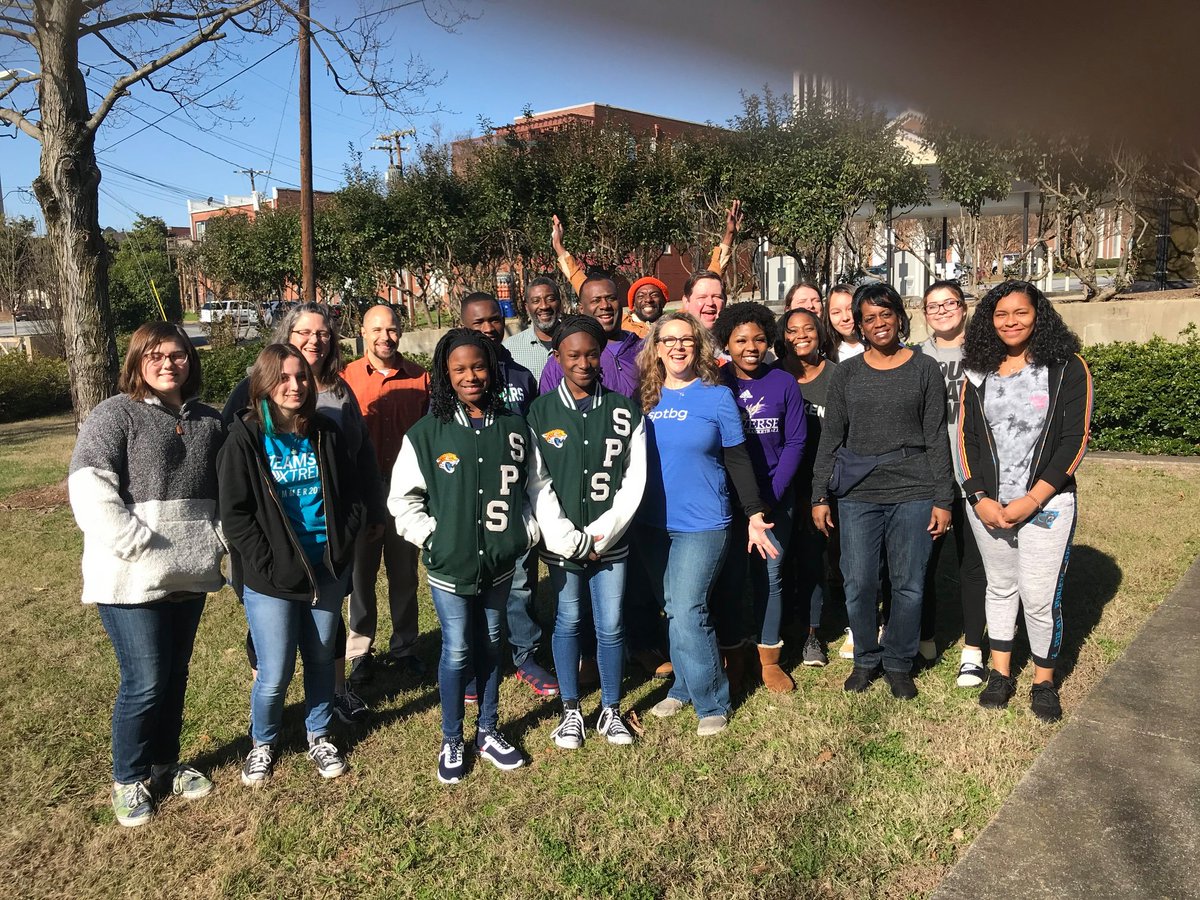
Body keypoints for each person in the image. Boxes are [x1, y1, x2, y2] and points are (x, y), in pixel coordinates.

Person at [69, 323, 225, 827]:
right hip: (130, 575)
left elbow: (226, 492)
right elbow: (90, 490)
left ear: (190, 361)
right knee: (146, 679)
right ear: (136, 361)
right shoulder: (113, 415)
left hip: (190, 571)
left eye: (177, 355)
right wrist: (139, 544)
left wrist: (216, 542)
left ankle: (165, 764)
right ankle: (128, 776)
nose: (167, 364)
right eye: (154, 355)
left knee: (175, 675)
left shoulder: (208, 420)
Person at [389, 329, 539, 783]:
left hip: (497, 565)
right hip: (448, 566)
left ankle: (488, 730)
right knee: (456, 652)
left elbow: (533, 489)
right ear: (444, 375)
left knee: (492, 644)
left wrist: (523, 533)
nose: (470, 376)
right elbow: (402, 500)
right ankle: (451, 737)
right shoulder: (426, 433)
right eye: (459, 369)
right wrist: (433, 538)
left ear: (492, 370)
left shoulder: (515, 427)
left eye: (478, 366)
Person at [223, 301, 382, 723]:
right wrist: (255, 549)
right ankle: (267, 712)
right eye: (304, 333)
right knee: (270, 638)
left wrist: (355, 524)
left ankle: (332, 699)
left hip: (326, 538)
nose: (316, 340)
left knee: (322, 631)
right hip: (272, 542)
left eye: (323, 333)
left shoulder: (338, 389)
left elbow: (358, 456)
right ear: (287, 338)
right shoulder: (251, 394)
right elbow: (233, 473)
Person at [219, 343, 364, 786]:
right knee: (276, 668)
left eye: (300, 376)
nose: (295, 385)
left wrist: (341, 549)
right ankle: (262, 741)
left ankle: (318, 733)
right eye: (283, 377)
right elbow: (236, 515)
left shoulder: (326, 431)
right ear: (263, 383)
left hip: (326, 568)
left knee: (322, 657)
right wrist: (269, 564)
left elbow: (352, 493)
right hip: (271, 577)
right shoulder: (244, 437)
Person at [635, 312, 779, 736]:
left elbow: (738, 458)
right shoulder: (645, 398)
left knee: (689, 607)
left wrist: (754, 515)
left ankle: (712, 697)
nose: (677, 347)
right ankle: (683, 685)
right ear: (657, 349)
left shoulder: (716, 398)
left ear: (697, 347)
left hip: (703, 523)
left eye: (686, 340)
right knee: (673, 608)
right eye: (669, 340)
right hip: (651, 524)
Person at [810, 282, 953, 701]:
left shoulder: (924, 369)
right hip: (858, 493)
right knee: (858, 581)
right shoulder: (848, 374)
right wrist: (820, 495)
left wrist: (943, 499)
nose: (878, 323)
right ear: (859, 324)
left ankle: (898, 662)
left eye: (885, 313)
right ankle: (866, 659)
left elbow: (936, 438)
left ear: (898, 316)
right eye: (869, 317)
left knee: (908, 581)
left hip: (914, 489)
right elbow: (830, 438)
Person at [959, 280, 1092, 723]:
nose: (1010, 322)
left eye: (1020, 312)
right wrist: (978, 497)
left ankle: (1043, 681)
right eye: (1000, 314)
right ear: (988, 321)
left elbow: (1074, 442)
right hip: (987, 507)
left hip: (1046, 505)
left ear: (1039, 314)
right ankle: (1000, 675)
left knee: (1038, 597)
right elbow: (965, 439)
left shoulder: (1067, 367)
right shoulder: (977, 371)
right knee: (1000, 588)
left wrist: (1032, 500)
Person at [528, 316, 648, 748]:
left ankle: (611, 709)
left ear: (602, 354)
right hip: (562, 544)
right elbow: (537, 483)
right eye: (573, 355)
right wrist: (568, 538)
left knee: (611, 625)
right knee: (568, 620)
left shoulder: (624, 409)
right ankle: (571, 710)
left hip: (610, 542)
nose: (583, 362)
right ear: (557, 357)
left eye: (591, 353)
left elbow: (635, 479)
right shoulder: (539, 413)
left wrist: (601, 534)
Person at [461, 291, 558, 697]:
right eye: (477, 323)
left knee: (519, 580)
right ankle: (473, 660)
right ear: (463, 325)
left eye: (493, 320)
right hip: (468, 498)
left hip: (514, 495)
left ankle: (525, 655)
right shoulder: (452, 377)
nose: (487, 329)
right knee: (470, 581)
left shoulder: (521, 377)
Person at [710, 302, 806, 693]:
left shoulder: (783, 382)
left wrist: (767, 499)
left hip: (774, 499)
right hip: (727, 501)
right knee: (730, 579)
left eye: (759, 339)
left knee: (771, 576)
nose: (751, 347)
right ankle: (734, 654)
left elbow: (796, 441)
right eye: (741, 340)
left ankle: (769, 658)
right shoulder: (716, 385)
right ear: (726, 344)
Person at [341, 305, 430, 686]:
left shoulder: (419, 378)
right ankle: (360, 651)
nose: (385, 337)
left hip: (406, 491)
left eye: (392, 329)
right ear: (363, 332)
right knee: (361, 576)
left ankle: (405, 646)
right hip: (362, 492)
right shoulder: (345, 378)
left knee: (404, 573)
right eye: (377, 329)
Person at [915, 281, 989, 687]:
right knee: (921, 563)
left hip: (976, 476)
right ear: (924, 313)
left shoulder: (986, 352)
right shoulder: (914, 357)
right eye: (933, 305)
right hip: (929, 477)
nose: (942, 310)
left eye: (949, 303)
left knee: (973, 565)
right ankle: (923, 636)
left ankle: (973, 649)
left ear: (963, 307)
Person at [551, 200, 742, 324]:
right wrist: (559, 248)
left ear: (664, 301)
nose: (648, 299)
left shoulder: (676, 323)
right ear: (632, 303)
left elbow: (709, 281)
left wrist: (728, 236)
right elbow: (582, 285)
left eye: (654, 295)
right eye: (641, 295)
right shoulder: (622, 325)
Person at [775, 307, 838, 667]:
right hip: (781, 483)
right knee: (780, 562)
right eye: (792, 330)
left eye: (808, 329)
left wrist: (823, 492)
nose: (801, 335)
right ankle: (779, 629)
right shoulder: (773, 376)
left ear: (819, 332)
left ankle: (813, 635)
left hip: (822, 483)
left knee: (814, 559)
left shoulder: (837, 376)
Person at [539, 275, 642, 400]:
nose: (605, 305)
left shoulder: (644, 348)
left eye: (611, 298)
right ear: (581, 309)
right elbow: (548, 408)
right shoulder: (563, 359)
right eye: (596, 300)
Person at [503, 276, 563, 380]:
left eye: (550, 299)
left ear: (560, 303)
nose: (544, 306)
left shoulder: (575, 341)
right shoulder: (510, 348)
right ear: (527, 307)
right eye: (536, 301)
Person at [822, 284, 864, 362]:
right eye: (836, 312)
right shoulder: (826, 358)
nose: (845, 318)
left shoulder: (879, 349)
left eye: (850, 309)